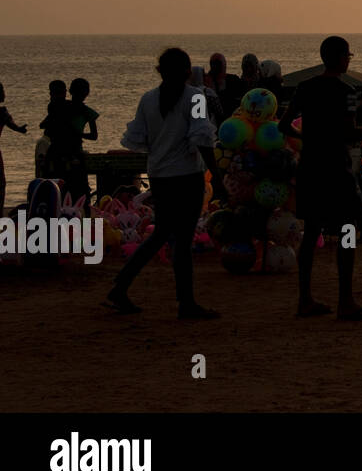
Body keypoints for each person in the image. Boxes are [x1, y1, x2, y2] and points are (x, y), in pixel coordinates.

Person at [278, 36, 362, 320]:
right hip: (335, 168)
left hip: (310, 167)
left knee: (311, 233)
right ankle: (346, 301)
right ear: (342, 57)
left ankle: (304, 300)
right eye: (348, 56)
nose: (348, 60)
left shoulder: (305, 87)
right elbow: (350, 134)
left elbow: (283, 125)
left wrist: (305, 137)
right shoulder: (347, 91)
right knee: (346, 231)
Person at [106, 48, 219, 319]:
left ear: (160, 71)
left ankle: (121, 287)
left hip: (159, 177)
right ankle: (186, 302)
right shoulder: (196, 97)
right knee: (181, 241)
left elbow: (141, 139)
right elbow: (202, 139)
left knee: (161, 236)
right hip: (187, 177)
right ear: (188, 71)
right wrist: (217, 175)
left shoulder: (148, 100)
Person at [60, 78, 99, 207]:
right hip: (71, 152)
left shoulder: (64, 107)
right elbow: (94, 136)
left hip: (69, 152)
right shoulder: (65, 107)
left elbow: (94, 136)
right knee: (78, 191)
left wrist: (77, 134)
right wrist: (79, 134)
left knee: (70, 190)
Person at [0, 82, 28, 202]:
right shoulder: (2, 112)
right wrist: (19, 129)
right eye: (2, 91)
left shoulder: (3, 112)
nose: (4, 94)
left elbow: (12, 124)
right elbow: (12, 124)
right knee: (1, 184)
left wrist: (19, 129)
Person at [207, 53, 246, 118]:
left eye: (218, 63)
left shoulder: (234, 80)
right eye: (213, 63)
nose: (215, 66)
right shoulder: (208, 82)